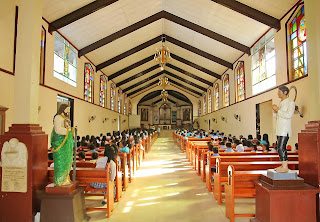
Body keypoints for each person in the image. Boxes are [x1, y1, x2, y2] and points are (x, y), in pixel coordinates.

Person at [272, 85, 295, 173]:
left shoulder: (290, 102)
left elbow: (289, 115)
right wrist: (275, 112)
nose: (278, 93)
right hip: (280, 128)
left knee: (282, 147)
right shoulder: (281, 103)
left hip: (285, 129)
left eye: (279, 91)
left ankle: (285, 167)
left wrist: (278, 110)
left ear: (285, 92)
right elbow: (278, 117)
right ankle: (283, 164)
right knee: (279, 147)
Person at [51, 104, 73, 186]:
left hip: (65, 142)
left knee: (66, 160)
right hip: (60, 142)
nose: (68, 111)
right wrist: (68, 130)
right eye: (67, 109)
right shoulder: (57, 117)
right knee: (60, 161)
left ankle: (65, 179)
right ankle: (59, 180)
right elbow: (57, 130)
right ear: (63, 109)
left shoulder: (64, 118)